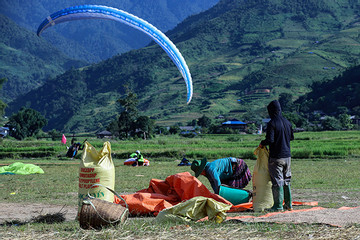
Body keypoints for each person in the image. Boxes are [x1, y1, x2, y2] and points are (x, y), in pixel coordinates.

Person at [259, 100, 294, 211]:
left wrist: (262, 143)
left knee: (277, 181)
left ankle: (278, 206)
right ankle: (288, 205)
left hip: (276, 157)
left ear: (271, 111)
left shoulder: (272, 123)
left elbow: (270, 139)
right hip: (287, 157)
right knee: (286, 180)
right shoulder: (288, 122)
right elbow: (291, 138)